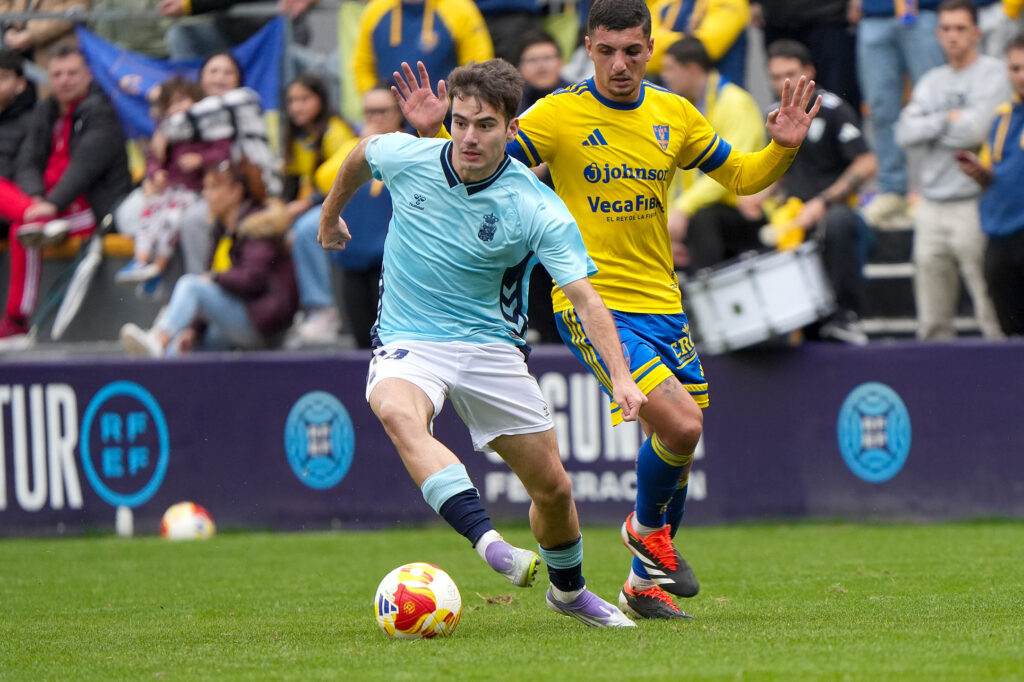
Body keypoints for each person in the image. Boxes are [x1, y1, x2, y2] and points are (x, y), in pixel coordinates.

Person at [394, 0, 821, 620]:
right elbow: (476, 164)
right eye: (606, 51)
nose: (619, 64)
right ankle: (645, 537)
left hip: (662, 303)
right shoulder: (560, 115)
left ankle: (642, 585)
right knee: (680, 426)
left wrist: (781, 149)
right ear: (588, 48)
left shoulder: (674, 114)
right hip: (589, 301)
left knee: (675, 447)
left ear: (650, 49)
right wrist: (437, 132)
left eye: (632, 51)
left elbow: (744, 178)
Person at [319, 59, 646, 627]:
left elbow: (587, 299)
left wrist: (621, 377)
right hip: (410, 337)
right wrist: (330, 216)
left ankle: (569, 594)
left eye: (486, 126)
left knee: (553, 490)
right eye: (460, 122)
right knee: (397, 411)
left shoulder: (534, 206)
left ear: (511, 130)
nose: (470, 137)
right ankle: (490, 544)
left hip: (492, 347)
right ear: (449, 119)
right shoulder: (409, 156)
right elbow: (361, 154)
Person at [0, 45, 131, 347]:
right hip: (48, 208)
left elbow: (83, 169)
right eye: (57, 74)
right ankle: (17, 325)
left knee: (23, 230)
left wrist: (49, 205)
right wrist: (34, 201)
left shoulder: (101, 112)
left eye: (72, 73)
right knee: (24, 225)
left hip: (92, 209)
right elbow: (28, 162)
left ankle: (16, 323)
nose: (64, 80)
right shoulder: (46, 111)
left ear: (88, 75)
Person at [896, 0, 1007, 340]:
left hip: (973, 203)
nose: (953, 36)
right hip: (931, 206)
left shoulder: (995, 73)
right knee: (931, 321)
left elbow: (976, 132)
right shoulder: (930, 80)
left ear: (976, 32)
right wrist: (947, 119)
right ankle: (934, 387)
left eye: (960, 28)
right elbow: (904, 132)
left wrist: (930, 125)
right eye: (946, 29)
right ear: (937, 33)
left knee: (990, 311)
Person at [756, 39, 878, 344]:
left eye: (791, 73)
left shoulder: (833, 108)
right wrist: (752, 194)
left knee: (838, 222)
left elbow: (866, 162)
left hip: (833, 210)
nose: (783, 84)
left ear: (809, 71)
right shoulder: (773, 115)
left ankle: (845, 315)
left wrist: (822, 202)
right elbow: (775, 173)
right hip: (790, 214)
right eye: (775, 77)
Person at [120, 159, 298, 356]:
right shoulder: (221, 231)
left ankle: (158, 339)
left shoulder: (259, 227)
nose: (205, 195)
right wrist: (194, 331)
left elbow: (252, 279)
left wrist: (215, 278)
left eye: (213, 188)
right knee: (180, 346)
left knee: (191, 285)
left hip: (263, 325)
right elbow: (219, 293)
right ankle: (160, 371)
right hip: (239, 318)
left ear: (235, 191)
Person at [289, 85, 402, 348]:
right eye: (368, 112)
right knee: (361, 341)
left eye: (381, 111)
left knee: (390, 342)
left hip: (390, 263)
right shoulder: (356, 147)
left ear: (399, 112)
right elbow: (324, 178)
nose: (374, 118)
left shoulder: (408, 147)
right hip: (353, 258)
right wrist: (360, 145)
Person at [115, 76, 230, 296]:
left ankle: (159, 268)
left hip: (195, 192)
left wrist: (201, 159)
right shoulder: (166, 132)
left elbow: (221, 151)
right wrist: (155, 172)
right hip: (170, 191)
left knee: (172, 221)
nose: (178, 108)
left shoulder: (205, 127)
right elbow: (152, 159)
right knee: (150, 214)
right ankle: (141, 260)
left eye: (183, 101)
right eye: (172, 105)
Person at [660, 36, 766, 271]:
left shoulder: (735, 103)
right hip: (697, 211)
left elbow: (731, 170)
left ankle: (707, 298)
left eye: (670, 68)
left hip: (744, 213)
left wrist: (683, 208)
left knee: (703, 218)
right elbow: (671, 177)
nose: (664, 76)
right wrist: (666, 223)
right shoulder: (682, 109)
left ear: (693, 69)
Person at [851, 0, 945, 229]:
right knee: (880, 108)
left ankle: (940, 189)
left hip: (922, 11)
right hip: (875, 14)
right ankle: (892, 190)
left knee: (936, 105)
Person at [955, 33, 1024, 335]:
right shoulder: (1002, 117)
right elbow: (995, 172)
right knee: (1010, 330)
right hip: (1000, 234)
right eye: (1015, 68)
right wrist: (980, 172)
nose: (1020, 76)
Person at [352, 0, 494, 96]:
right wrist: (380, 106)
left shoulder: (459, 9)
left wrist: (454, 107)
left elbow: (478, 68)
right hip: (391, 124)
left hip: (445, 119)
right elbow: (362, 67)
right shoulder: (375, 11)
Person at [648, 0, 751, 86]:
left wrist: (661, 40)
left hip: (718, 100)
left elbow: (702, 48)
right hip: (672, 97)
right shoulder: (666, 3)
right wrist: (689, 38)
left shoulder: (730, 2)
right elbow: (646, 51)